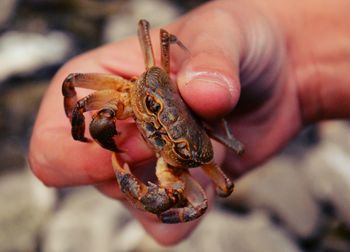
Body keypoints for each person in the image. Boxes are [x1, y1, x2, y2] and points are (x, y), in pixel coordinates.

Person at [28, 0, 350, 245]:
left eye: (171, 141)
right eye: (153, 111)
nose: (157, 132)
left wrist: (295, 72)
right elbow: (75, 89)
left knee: (191, 201)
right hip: (136, 94)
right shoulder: (130, 90)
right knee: (81, 95)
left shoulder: (182, 158)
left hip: (181, 151)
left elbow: (211, 195)